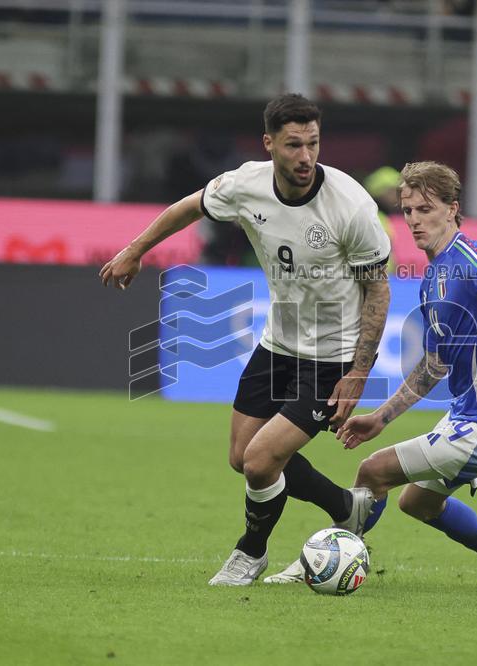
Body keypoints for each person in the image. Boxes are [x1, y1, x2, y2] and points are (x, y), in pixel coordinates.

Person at [99, 93, 392, 586]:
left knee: (260, 461)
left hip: (332, 358)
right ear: (269, 144)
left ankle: (250, 553)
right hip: (278, 344)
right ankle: (346, 507)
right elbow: (188, 207)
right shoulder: (245, 184)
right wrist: (135, 250)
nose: (305, 156)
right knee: (242, 458)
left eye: (314, 143)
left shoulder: (351, 204)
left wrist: (359, 372)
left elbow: (378, 291)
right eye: (294, 144)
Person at [267, 161, 477, 589]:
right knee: (418, 502)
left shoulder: (469, 257)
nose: (414, 220)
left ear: (452, 209)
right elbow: (435, 364)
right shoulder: (433, 276)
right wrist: (382, 417)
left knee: (373, 471)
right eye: (408, 210)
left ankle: (321, 563)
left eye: (425, 209)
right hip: (468, 415)